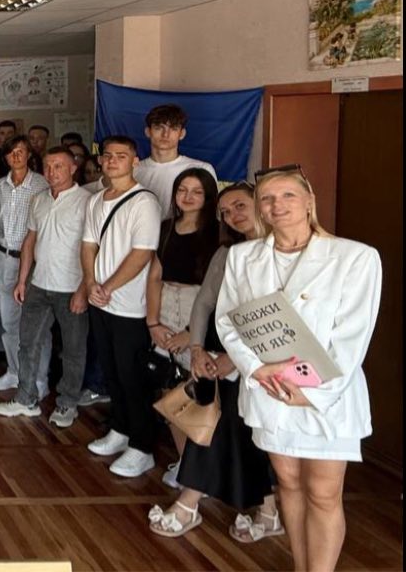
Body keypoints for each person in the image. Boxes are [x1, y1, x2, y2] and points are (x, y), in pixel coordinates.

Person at [216, 169, 382, 571]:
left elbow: (353, 335)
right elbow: (228, 320)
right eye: (268, 198)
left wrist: (313, 393)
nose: (278, 205)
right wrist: (256, 369)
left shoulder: (354, 257)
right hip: (270, 389)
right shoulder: (243, 257)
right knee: (288, 483)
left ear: (309, 200)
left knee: (323, 494)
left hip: (326, 396)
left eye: (288, 195)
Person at [147, 182, 281, 543]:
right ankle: (268, 511)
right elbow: (205, 303)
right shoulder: (228, 253)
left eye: (239, 206)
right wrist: (196, 348)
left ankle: (189, 502)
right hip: (217, 351)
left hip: (259, 358)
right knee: (228, 429)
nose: (232, 215)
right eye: (225, 211)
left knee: (230, 429)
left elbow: (275, 317)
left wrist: (234, 360)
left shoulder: (279, 252)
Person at [81, 135, 162, 478]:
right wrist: (90, 283)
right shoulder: (96, 200)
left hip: (130, 306)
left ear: (135, 161)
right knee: (112, 371)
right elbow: (88, 245)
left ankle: (142, 447)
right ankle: (120, 429)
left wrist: (109, 287)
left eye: (121, 156)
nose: (112, 161)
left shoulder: (144, 202)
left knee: (133, 377)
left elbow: (142, 253)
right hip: (101, 302)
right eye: (108, 156)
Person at [0, 147, 93, 427]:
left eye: (59, 166)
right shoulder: (39, 199)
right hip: (38, 284)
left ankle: (67, 403)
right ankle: (26, 397)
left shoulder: (87, 201)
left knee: (73, 349)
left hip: (71, 287)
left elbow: (94, 249)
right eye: (48, 166)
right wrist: (22, 280)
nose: (52, 172)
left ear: (73, 168)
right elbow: (30, 241)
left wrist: (84, 289)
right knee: (28, 343)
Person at [147, 168, 222, 489]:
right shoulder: (166, 228)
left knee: (198, 390)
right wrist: (153, 322)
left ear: (208, 197)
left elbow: (217, 292)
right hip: (166, 305)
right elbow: (154, 276)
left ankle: (204, 467)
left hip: (199, 308)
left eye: (196, 191)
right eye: (182, 190)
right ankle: (184, 462)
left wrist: (192, 333)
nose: (188, 197)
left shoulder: (218, 234)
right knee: (170, 390)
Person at [0, 136, 51, 393]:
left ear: (29, 155)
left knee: (37, 325)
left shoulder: (41, 185)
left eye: (20, 151)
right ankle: (14, 372)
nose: (16, 156)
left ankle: (39, 379)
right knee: (9, 322)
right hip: (5, 257)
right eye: (11, 152)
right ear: (5, 157)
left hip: (33, 261)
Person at [134, 104, 217, 220]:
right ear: (148, 132)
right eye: (159, 128)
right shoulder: (133, 170)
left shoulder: (202, 169)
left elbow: (212, 213)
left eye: (173, 128)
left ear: (182, 134)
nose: (165, 134)